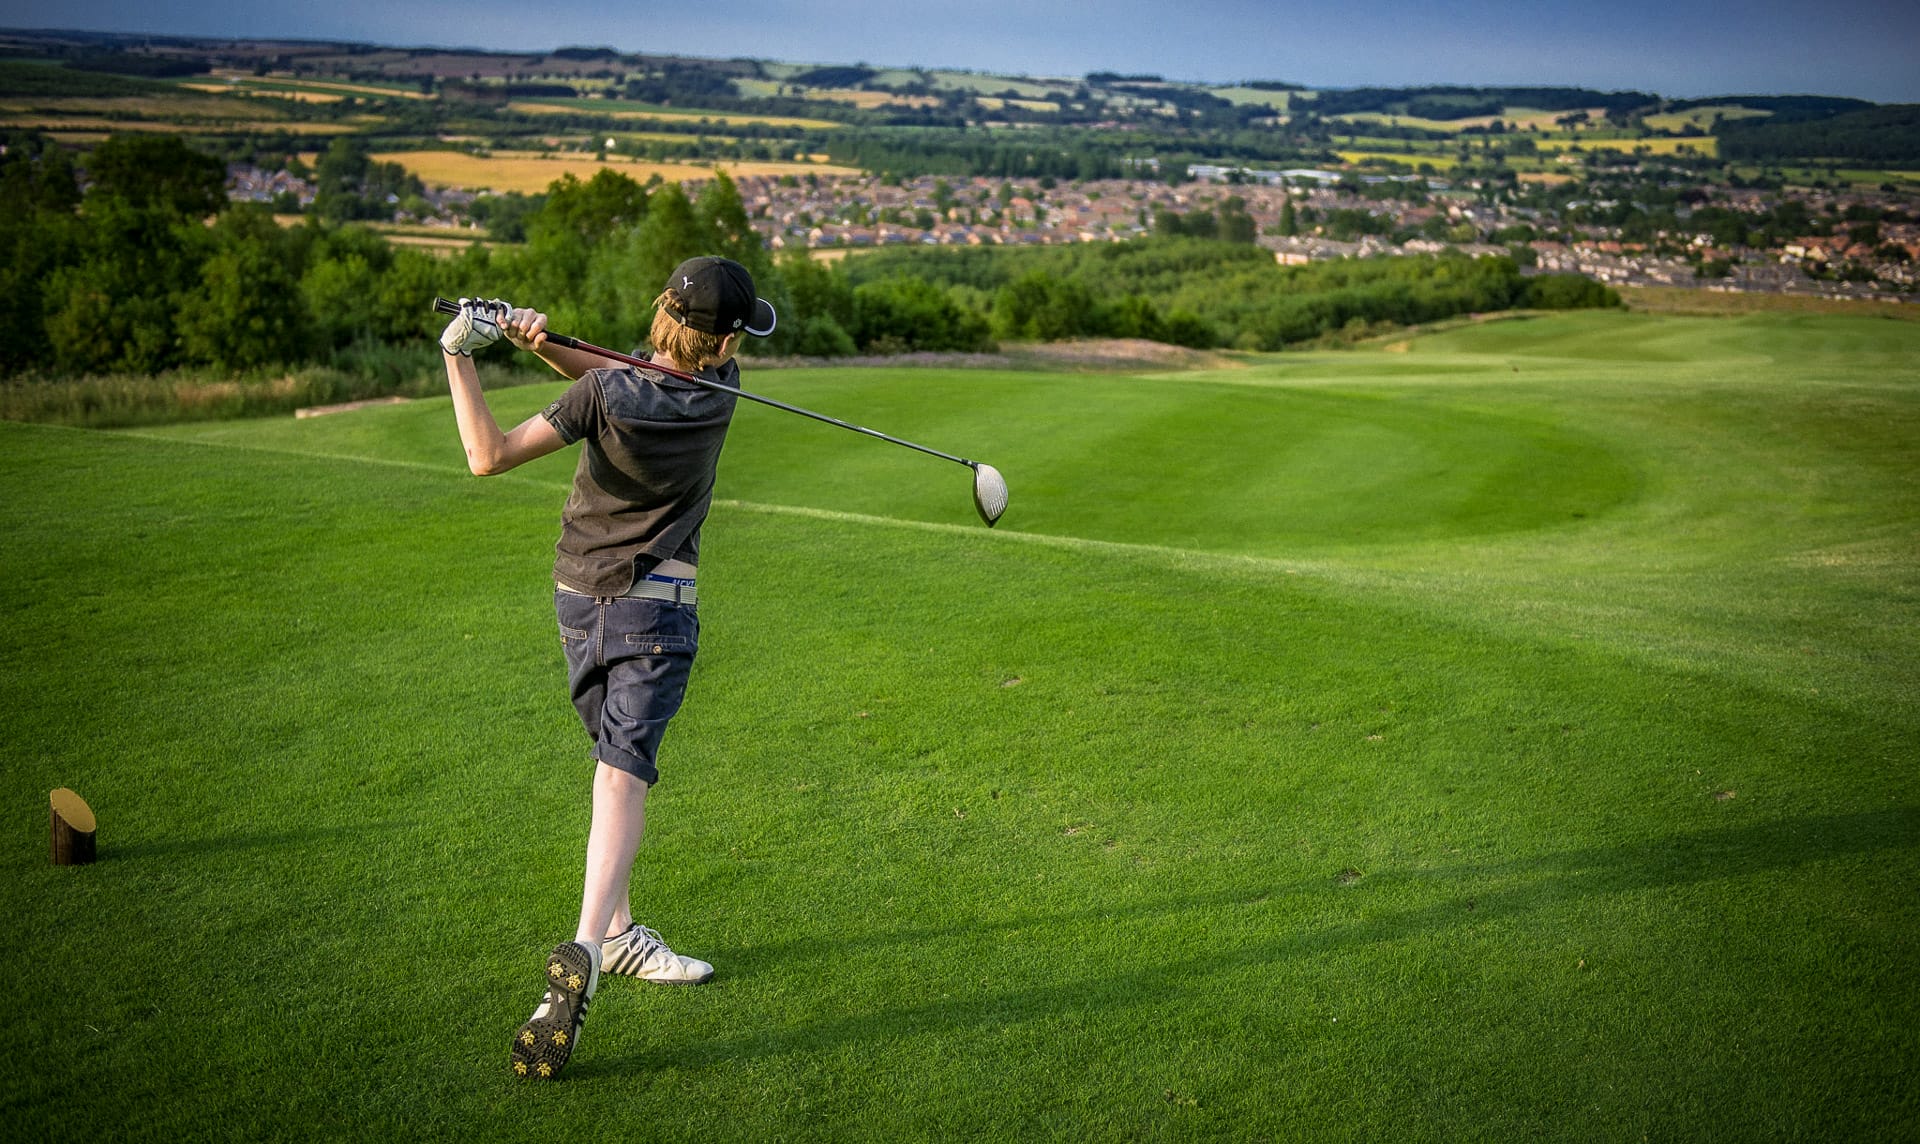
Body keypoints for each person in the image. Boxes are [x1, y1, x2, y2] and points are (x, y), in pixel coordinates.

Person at [435, 256, 777, 1080]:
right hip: (655, 611)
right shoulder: (720, 394)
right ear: (724, 339)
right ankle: (586, 952)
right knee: (623, 775)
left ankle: (619, 936)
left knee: (608, 765)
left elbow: (489, 454)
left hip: (574, 600)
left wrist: (465, 353)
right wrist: (544, 344)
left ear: (663, 312)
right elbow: (626, 380)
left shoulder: (607, 396)